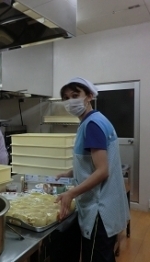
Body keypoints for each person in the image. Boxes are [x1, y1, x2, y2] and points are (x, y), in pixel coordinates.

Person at [55, 77, 130, 262]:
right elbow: (92, 161)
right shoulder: (95, 120)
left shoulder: (92, 125)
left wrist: (71, 193)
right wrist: (69, 174)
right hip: (107, 205)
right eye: (66, 98)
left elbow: (102, 170)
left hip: (99, 210)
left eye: (75, 95)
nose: (70, 101)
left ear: (89, 96)